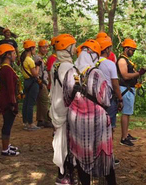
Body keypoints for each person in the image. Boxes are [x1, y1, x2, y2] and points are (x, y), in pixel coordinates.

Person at [63, 40, 116, 185]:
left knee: (81, 156)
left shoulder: (70, 73)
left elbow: (66, 99)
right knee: (104, 155)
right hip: (98, 121)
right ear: (93, 56)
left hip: (76, 121)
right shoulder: (97, 74)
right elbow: (106, 99)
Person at [50, 34, 76, 185]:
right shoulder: (67, 67)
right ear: (67, 47)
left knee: (60, 141)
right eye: (72, 45)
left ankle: (62, 174)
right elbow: (72, 89)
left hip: (56, 107)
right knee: (66, 143)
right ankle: (65, 175)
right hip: (66, 109)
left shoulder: (56, 64)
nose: (75, 48)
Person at [96, 37, 123, 165]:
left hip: (95, 99)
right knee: (109, 128)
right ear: (106, 49)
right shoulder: (109, 64)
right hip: (109, 99)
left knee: (97, 127)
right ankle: (108, 156)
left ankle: (96, 155)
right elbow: (115, 84)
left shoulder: (93, 63)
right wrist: (120, 99)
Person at [116, 38, 146, 146]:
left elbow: (132, 73)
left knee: (128, 113)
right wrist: (138, 73)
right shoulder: (122, 60)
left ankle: (126, 134)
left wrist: (139, 74)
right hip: (125, 89)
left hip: (129, 89)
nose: (133, 52)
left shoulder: (127, 60)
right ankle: (123, 138)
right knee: (125, 113)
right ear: (126, 48)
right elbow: (125, 75)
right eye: (132, 50)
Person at [0, 44, 20, 156]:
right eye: (14, 53)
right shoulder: (7, 69)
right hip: (7, 100)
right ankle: (5, 149)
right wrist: (13, 103)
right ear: (8, 55)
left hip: (5, 98)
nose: (15, 55)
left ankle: (7, 145)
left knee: (8, 123)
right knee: (7, 124)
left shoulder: (5, 68)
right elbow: (11, 89)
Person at [20, 40, 41, 131]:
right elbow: (35, 74)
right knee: (31, 103)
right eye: (34, 48)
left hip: (26, 81)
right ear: (31, 48)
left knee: (26, 102)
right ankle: (30, 124)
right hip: (32, 82)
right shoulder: (29, 60)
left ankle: (25, 122)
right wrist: (38, 66)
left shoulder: (24, 59)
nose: (35, 50)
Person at [35, 39, 53, 128]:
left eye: (46, 47)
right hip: (41, 82)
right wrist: (41, 82)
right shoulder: (37, 58)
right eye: (43, 47)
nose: (45, 49)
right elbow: (38, 72)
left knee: (40, 101)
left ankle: (40, 119)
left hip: (41, 81)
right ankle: (46, 120)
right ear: (39, 48)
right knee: (45, 100)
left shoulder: (41, 57)